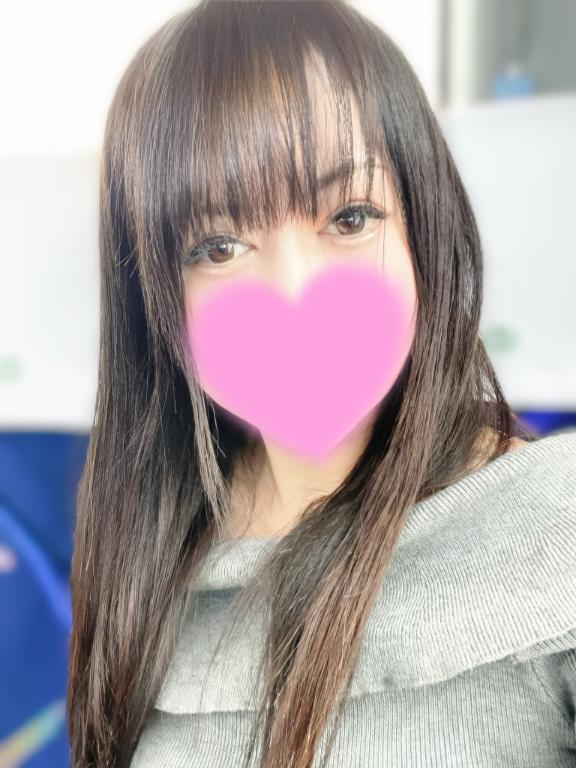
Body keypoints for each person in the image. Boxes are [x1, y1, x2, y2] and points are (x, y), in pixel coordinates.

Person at [66, 1, 576, 767]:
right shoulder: (152, 548)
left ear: (424, 229)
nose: (295, 293)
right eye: (218, 246)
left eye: (349, 218)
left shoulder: (556, 528)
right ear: (153, 297)